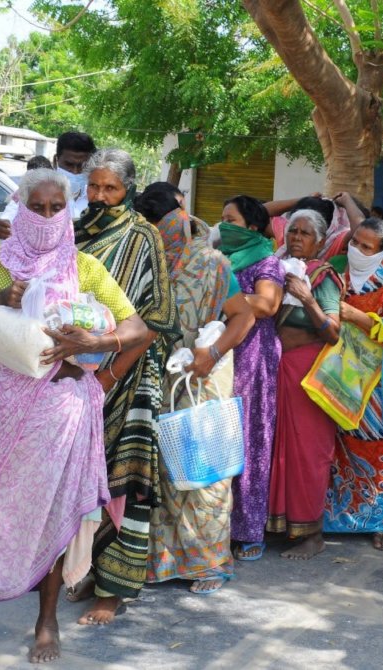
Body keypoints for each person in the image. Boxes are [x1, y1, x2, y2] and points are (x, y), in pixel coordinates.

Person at [0, 168, 147, 662]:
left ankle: (46, 621)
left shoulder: (85, 267)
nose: (49, 216)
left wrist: (99, 345)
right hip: (2, 407)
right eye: (39, 207)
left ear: (68, 210)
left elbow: (138, 327)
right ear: (22, 208)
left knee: (50, 512)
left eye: (58, 207)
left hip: (59, 408)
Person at [73, 149, 180, 625]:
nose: (100, 196)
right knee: (80, 477)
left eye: (110, 189)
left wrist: (108, 376)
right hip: (75, 372)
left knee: (124, 479)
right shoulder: (76, 231)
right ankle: (81, 570)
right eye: (94, 187)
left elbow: (155, 319)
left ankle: (111, 589)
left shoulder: (143, 237)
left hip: (129, 375)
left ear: (129, 190)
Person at [133, 184, 255, 595]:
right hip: (157, 377)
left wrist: (213, 350)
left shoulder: (213, 264)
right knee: (162, 470)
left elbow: (244, 317)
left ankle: (208, 563)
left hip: (202, 376)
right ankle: (163, 560)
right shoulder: (141, 261)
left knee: (205, 469)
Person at [323, 218, 383, 551]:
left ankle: (373, 520)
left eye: (366, 246)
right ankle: (331, 516)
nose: (357, 250)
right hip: (333, 373)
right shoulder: (336, 274)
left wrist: (355, 316)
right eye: (355, 242)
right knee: (335, 444)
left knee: (371, 445)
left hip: (373, 382)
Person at [267, 209, 343, 559]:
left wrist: (307, 296)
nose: (296, 238)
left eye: (305, 233)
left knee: (307, 453)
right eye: (293, 231)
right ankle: (282, 526)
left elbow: (332, 332)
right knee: (278, 450)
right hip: (278, 370)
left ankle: (312, 533)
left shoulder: (323, 277)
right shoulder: (277, 268)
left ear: (321, 241)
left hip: (308, 374)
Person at [218, 195, 284, 561]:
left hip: (253, 356)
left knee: (250, 440)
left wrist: (222, 296)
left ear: (253, 227)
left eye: (232, 219)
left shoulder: (266, 260)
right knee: (220, 438)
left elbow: (267, 304)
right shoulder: (220, 257)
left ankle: (247, 530)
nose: (223, 224)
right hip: (220, 353)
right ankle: (216, 528)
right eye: (222, 218)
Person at [0, 133, 96, 242]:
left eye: (82, 166)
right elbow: (7, 220)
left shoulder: (98, 194)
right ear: (55, 160)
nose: (75, 171)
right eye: (69, 165)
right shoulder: (33, 187)